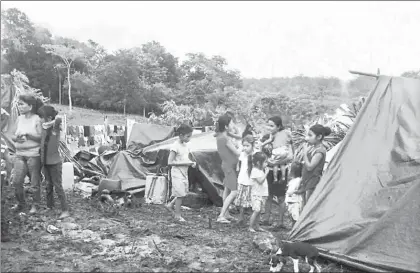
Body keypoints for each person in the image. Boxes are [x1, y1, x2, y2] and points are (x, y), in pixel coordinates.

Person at [11, 95, 43, 214]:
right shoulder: (19, 119)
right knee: (16, 181)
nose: (20, 106)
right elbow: (13, 135)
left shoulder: (37, 119)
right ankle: (21, 203)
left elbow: (41, 138)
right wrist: (16, 139)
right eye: (19, 104)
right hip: (19, 154)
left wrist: (28, 134)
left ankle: (35, 205)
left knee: (34, 182)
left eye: (22, 104)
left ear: (30, 106)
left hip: (33, 155)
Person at [260, 116, 293, 229]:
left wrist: (275, 162)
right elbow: (263, 153)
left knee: (280, 197)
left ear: (279, 126)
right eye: (268, 125)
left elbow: (290, 156)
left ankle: (280, 222)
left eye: (272, 125)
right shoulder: (267, 137)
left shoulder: (286, 137)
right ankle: (266, 219)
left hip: (280, 171)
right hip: (269, 170)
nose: (269, 128)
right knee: (268, 195)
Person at [38, 105, 70, 219]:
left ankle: (65, 210)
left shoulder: (55, 128)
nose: (41, 120)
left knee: (58, 186)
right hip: (45, 163)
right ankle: (50, 207)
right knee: (48, 185)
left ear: (49, 117)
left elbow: (59, 118)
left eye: (42, 117)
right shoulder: (43, 129)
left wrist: (49, 123)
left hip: (55, 163)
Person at [165, 124, 197, 222]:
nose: (189, 138)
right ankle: (177, 216)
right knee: (179, 195)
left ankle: (170, 205)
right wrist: (186, 163)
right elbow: (170, 162)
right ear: (181, 135)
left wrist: (192, 162)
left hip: (184, 172)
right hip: (176, 173)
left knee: (183, 193)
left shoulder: (186, 145)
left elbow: (186, 157)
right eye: (188, 136)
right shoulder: (175, 146)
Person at [297, 124, 330, 207]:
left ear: (319, 137)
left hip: (312, 182)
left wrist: (304, 153)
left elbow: (310, 167)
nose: (307, 138)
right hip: (306, 180)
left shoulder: (319, 151)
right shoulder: (312, 147)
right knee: (303, 204)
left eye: (310, 135)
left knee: (308, 206)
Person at [216, 115, 240, 223]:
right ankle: (221, 215)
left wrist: (234, 131)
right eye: (231, 123)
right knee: (234, 192)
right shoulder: (225, 138)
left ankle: (226, 214)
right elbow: (237, 152)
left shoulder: (221, 135)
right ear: (226, 126)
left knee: (227, 189)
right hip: (229, 167)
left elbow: (239, 136)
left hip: (226, 165)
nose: (232, 125)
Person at [234, 135, 255, 225]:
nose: (245, 148)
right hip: (242, 180)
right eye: (244, 146)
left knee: (250, 201)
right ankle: (241, 217)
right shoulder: (242, 154)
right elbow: (239, 166)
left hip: (250, 182)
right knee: (241, 200)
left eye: (247, 146)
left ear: (252, 145)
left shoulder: (255, 155)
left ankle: (251, 220)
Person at [249, 151, 269, 232]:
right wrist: (266, 173)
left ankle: (257, 226)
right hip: (256, 195)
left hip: (261, 194)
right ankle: (250, 226)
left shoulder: (260, 170)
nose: (266, 164)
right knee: (256, 210)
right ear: (258, 163)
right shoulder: (255, 171)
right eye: (265, 162)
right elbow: (260, 181)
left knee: (259, 211)